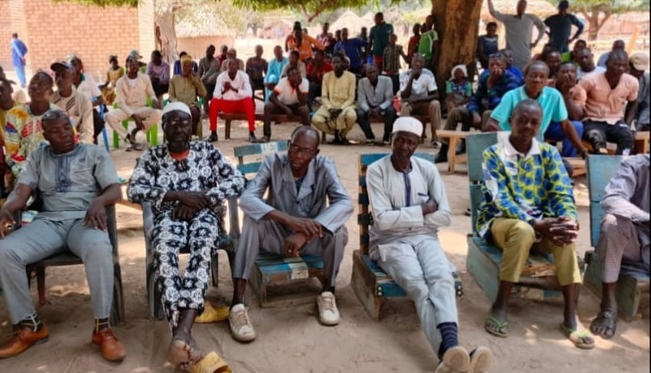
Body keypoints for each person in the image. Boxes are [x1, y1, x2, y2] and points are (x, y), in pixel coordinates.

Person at [0, 109, 126, 362]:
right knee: (3, 251)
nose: (64, 134)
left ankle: (103, 329)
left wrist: (99, 200)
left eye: (66, 128)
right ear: (45, 134)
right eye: (55, 131)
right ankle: (31, 325)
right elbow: (23, 190)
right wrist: (7, 208)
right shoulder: (38, 157)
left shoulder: (93, 153)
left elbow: (114, 190)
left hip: (84, 219)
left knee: (98, 247)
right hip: (49, 222)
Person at [368, 117, 494, 373]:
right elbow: (381, 222)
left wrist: (402, 215)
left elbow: (445, 215)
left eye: (411, 142)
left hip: (425, 238)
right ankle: (451, 350)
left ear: (417, 145)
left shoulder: (427, 170)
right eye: (400, 139)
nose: (404, 146)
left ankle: (447, 356)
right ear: (392, 139)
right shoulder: (377, 171)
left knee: (442, 278)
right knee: (418, 285)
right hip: (390, 243)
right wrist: (423, 210)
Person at [127, 102, 243, 372]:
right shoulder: (153, 156)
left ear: (192, 126)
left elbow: (236, 180)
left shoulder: (206, 150)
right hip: (170, 216)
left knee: (202, 248)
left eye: (184, 122)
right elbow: (134, 189)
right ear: (163, 126)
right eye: (172, 122)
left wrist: (201, 200)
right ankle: (183, 336)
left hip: (206, 215)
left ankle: (181, 334)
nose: (178, 128)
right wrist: (178, 196)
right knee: (164, 255)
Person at [478, 99, 594, 350]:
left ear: (540, 126)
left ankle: (570, 316)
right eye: (522, 120)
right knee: (522, 230)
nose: (527, 126)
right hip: (502, 222)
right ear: (511, 121)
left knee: (564, 233)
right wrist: (535, 222)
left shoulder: (549, 154)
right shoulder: (493, 154)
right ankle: (501, 303)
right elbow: (500, 198)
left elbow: (562, 193)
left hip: (542, 223)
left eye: (534, 122)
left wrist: (567, 220)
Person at [229, 125, 351, 343]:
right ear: (288, 145)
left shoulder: (325, 166)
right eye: (294, 148)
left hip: (310, 239)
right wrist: (288, 220)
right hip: (276, 237)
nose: (297, 155)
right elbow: (247, 199)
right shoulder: (273, 163)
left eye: (305, 151)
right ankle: (237, 304)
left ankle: (327, 293)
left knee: (339, 232)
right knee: (251, 222)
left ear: (315, 154)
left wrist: (306, 233)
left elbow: (344, 203)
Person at [590, 153, 650, 340]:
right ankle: (608, 305)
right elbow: (613, 198)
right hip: (634, 241)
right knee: (612, 223)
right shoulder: (636, 165)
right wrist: (647, 219)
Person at [484, 61, 586, 160]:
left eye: (542, 77)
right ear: (524, 77)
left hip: (536, 138)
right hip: (513, 141)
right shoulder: (511, 96)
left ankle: (568, 158)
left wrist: (581, 149)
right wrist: (509, 144)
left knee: (566, 166)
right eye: (533, 75)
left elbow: (565, 124)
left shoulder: (554, 95)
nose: (537, 80)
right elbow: (490, 124)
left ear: (547, 80)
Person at [440, 53, 521, 164]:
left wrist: (490, 87)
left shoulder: (512, 82)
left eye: (498, 64)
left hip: (500, 121)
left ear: (505, 66)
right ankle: (444, 150)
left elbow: (502, 108)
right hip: (481, 116)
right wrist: (474, 113)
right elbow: (474, 99)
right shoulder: (485, 77)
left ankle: (483, 153)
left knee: (488, 113)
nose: (494, 67)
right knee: (456, 112)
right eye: (491, 65)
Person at [579, 50, 639, 156]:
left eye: (623, 65)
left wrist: (627, 123)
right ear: (607, 64)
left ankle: (621, 166)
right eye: (616, 64)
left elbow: (633, 102)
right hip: (593, 120)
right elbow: (578, 102)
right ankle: (602, 167)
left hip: (615, 121)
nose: (620, 68)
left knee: (628, 137)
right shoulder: (589, 80)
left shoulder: (631, 82)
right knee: (598, 141)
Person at [3, 72, 61, 179]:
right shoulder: (14, 115)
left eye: (40, 85)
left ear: (50, 92)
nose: (34, 86)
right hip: (26, 175)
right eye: (32, 83)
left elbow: (70, 147)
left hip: (55, 172)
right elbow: (12, 154)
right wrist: (31, 176)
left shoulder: (60, 115)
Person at [106, 57, 162, 151]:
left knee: (159, 113)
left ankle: (136, 131)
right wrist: (133, 115)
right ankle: (128, 137)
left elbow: (151, 94)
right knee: (108, 116)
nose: (134, 67)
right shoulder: (120, 82)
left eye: (136, 65)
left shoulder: (145, 78)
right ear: (126, 67)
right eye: (131, 65)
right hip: (126, 109)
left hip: (141, 108)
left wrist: (154, 100)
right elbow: (121, 103)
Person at [487, 0, 546, 70]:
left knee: (524, 73)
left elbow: (542, 27)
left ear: (525, 7)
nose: (521, 7)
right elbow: (493, 12)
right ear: (517, 7)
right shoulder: (509, 18)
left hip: (525, 54)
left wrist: (537, 41)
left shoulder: (531, 18)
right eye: (519, 5)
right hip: (512, 55)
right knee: (511, 73)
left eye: (523, 6)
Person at [312, 54, 356, 145]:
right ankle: (335, 134)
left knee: (352, 116)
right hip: (330, 105)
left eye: (338, 62)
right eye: (333, 63)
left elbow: (351, 98)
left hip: (345, 105)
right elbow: (324, 97)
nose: (335, 65)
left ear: (343, 63)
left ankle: (343, 134)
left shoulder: (351, 77)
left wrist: (341, 109)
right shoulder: (326, 77)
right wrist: (330, 108)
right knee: (315, 119)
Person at [208, 58, 255, 143]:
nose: (232, 66)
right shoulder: (221, 77)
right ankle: (213, 133)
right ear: (227, 66)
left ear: (238, 66)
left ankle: (251, 132)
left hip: (240, 104)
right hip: (227, 104)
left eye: (234, 65)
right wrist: (224, 91)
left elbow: (249, 93)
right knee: (214, 102)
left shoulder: (244, 76)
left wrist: (234, 89)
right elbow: (215, 94)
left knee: (249, 101)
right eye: (230, 64)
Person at [547, 61, 588, 158]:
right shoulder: (545, 85)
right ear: (556, 75)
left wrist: (566, 95)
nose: (569, 74)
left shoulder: (579, 91)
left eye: (572, 72)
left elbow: (576, 116)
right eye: (565, 72)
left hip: (559, 126)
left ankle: (568, 159)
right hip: (542, 124)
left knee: (577, 126)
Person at [399, 54, 441, 145]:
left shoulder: (428, 74)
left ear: (424, 64)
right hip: (410, 104)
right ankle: (405, 138)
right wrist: (411, 78)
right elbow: (404, 96)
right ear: (411, 63)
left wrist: (417, 99)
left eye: (421, 62)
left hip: (423, 103)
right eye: (416, 62)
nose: (418, 64)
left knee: (435, 104)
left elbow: (435, 95)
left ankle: (436, 139)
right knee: (405, 106)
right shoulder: (404, 75)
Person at [50, 61, 95, 144]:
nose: (59, 80)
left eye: (63, 76)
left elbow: (87, 131)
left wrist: (81, 145)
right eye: (57, 76)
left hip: (77, 143)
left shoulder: (84, 101)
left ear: (73, 79)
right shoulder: (50, 101)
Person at [263, 67, 310, 142]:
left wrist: (297, 87)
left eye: (298, 74)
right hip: (282, 105)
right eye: (294, 75)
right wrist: (285, 108)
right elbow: (272, 97)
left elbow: (303, 102)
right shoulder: (283, 81)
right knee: (268, 106)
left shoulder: (305, 82)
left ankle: (307, 136)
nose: (297, 76)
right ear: (289, 77)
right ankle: (266, 135)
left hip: (296, 105)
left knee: (304, 109)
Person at [69, 56, 107, 145]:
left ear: (81, 67)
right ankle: (79, 143)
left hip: (89, 111)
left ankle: (90, 140)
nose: (73, 66)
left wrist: (89, 105)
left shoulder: (88, 79)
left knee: (99, 122)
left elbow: (100, 99)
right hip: (73, 112)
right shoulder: (66, 80)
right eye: (71, 64)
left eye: (75, 64)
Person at [356, 64, 396, 145]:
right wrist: (368, 109)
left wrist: (380, 108)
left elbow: (389, 99)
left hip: (383, 106)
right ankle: (369, 136)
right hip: (368, 106)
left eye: (374, 72)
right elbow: (361, 99)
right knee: (360, 113)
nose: (372, 74)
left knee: (391, 111)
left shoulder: (387, 80)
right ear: (366, 74)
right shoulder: (362, 82)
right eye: (369, 73)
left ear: (378, 72)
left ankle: (386, 136)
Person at [168, 56, 207, 132]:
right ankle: (180, 135)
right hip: (178, 105)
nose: (186, 68)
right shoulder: (174, 79)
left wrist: (196, 80)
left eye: (189, 66)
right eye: (184, 66)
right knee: (175, 114)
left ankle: (188, 133)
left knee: (193, 112)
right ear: (181, 67)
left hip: (191, 105)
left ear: (191, 68)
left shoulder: (195, 79)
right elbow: (171, 96)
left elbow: (203, 93)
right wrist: (178, 104)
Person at [629, 52, 650, 131]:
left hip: (639, 115)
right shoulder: (621, 78)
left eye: (642, 70)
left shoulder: (647, 79)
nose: (639, 73)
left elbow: (647, 105)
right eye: (636, 69)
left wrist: (640, 123)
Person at [199, 45, 221, 113]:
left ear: (213, 52)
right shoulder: (202, 60)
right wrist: (197, 80)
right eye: (207, 50)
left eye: (210, 51)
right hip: (206, 81)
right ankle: (206, 109)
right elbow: (199, 72)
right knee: (205, 90)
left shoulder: (216, 61)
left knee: (215, 75)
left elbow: (210, 72)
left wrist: (201, 80)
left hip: (213, 80)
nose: (208, 52)